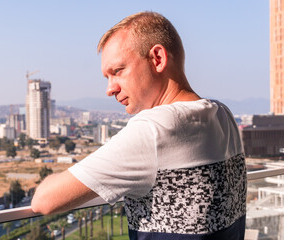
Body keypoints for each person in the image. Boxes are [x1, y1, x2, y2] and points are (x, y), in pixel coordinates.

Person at [31, 11, 247, 240]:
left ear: (158, 59)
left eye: (118, 71)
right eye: (107, 77)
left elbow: (44, 201)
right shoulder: (223, 115)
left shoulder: (153, 131)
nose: (110, 88)